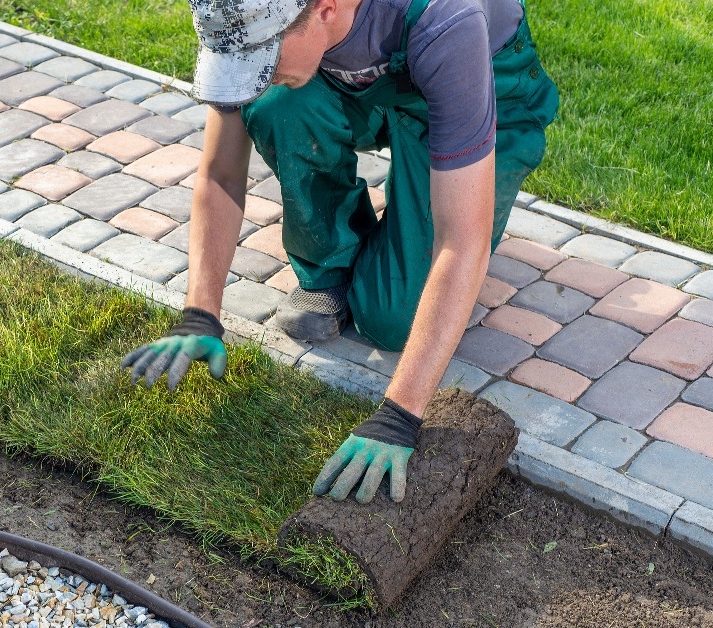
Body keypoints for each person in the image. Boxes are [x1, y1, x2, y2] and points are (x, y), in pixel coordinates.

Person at [120, 0, 557, 503]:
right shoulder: (243, 13)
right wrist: (200, 312)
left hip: (485, 83)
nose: (250, 74)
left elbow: (462, 239)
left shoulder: (446, 21)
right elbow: (220, 173)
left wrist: (400, 415)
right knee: (277, 104)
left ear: (326, 10)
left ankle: (417, 203)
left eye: (263, 58)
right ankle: (332, 268)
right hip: (361, 80)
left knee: (393, 321)